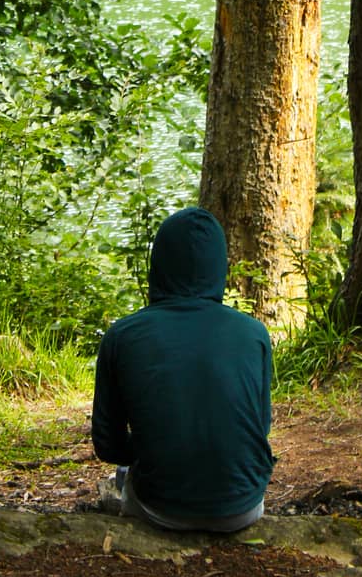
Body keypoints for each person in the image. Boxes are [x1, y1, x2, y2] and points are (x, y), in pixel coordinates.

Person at [91, 205, 273, 532]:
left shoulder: (122, 336)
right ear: (219, 266)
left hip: (159, 507)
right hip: (241, 508)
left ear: (158, 264)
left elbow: (108, 445)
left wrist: (156, 443)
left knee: (124, 477)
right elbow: (260, 428)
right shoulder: (253, 334)